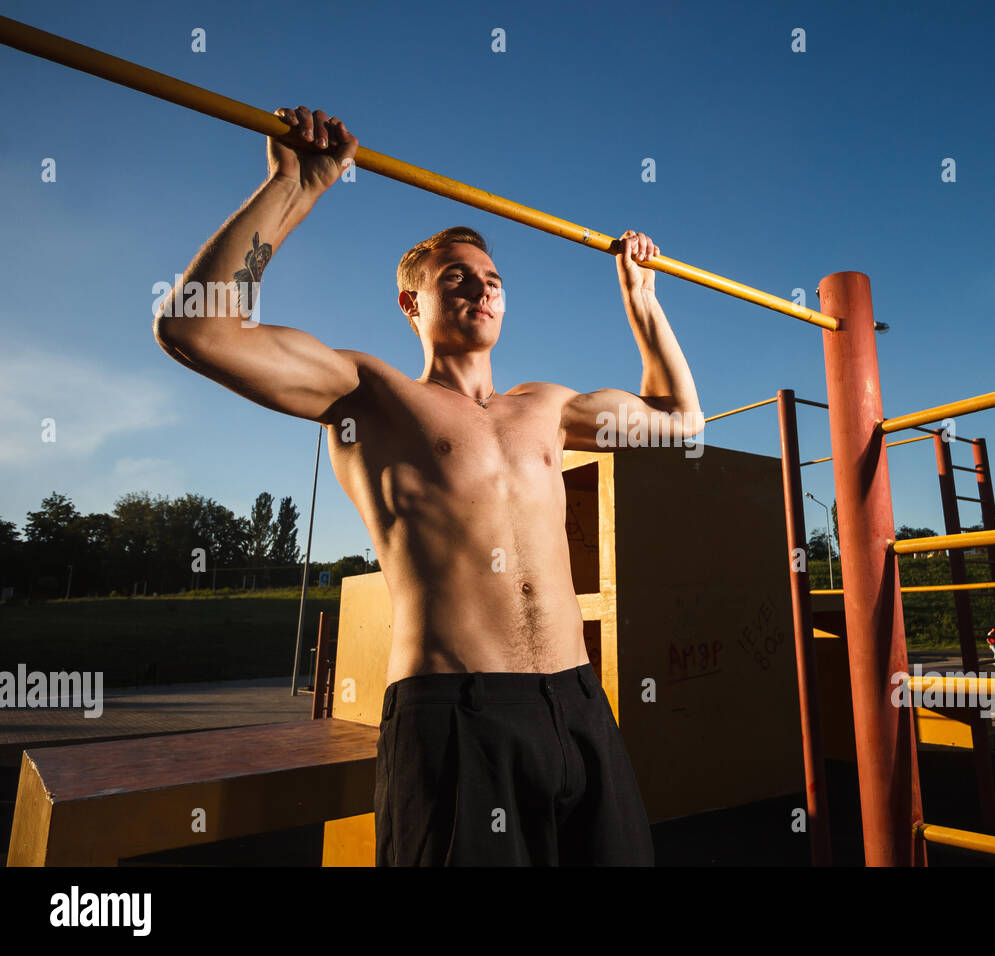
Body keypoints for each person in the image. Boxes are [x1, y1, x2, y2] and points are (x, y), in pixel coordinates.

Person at [153, 107, 702, 866]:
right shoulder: (370, 396)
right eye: (456, 279)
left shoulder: (546, 407)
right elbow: (198, 330)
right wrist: (293, 186)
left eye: (492, 281)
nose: (481, 290)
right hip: (457, 719)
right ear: (413, 304)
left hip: (578, 705)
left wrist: (642, 299)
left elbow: (679, 420)